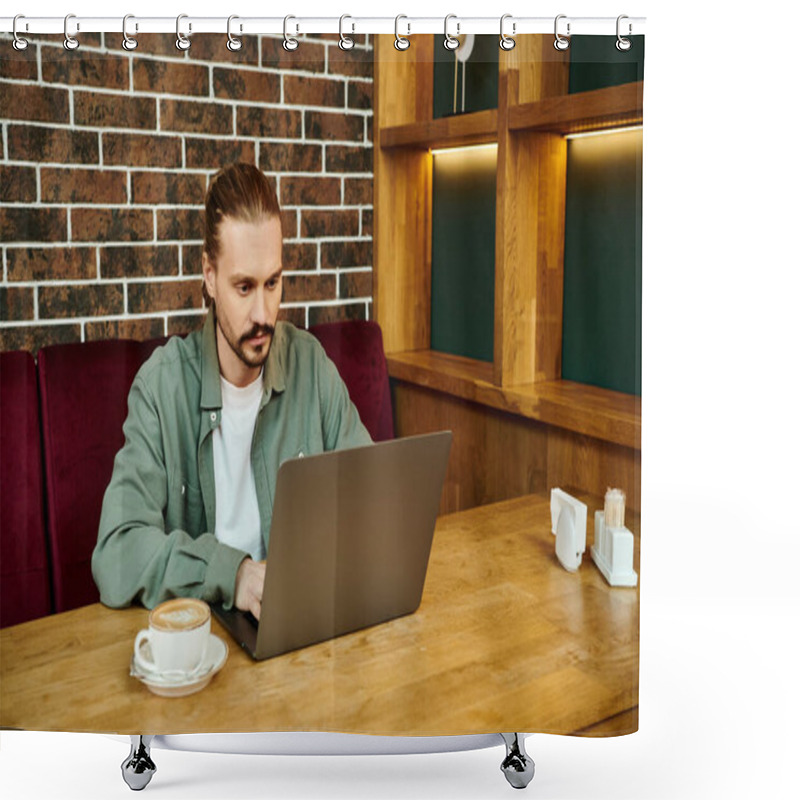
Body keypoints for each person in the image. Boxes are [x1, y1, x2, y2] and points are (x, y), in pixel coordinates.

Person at [92, 163, 372, 620]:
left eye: (272, 283)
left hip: (298, 633)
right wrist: (234, 573)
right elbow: (117, 552)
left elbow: (373, 496)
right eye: (243, 287)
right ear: (209, 275)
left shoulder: (311, 366)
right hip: (203, 645)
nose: (263, 313)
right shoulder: (161, 387)